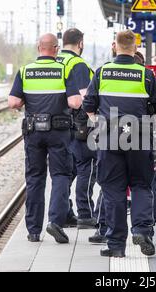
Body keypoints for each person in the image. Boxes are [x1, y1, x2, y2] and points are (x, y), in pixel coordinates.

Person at [83, 30, 156, 258]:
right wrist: (149, 123)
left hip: (109, 136)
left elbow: (88, 105)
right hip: (139, 135)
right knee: (141, 185)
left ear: (114, 46)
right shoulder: (145, 75)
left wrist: (98, 124)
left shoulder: (101, 73)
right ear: (135, 48)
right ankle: (142, 231)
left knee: (113, 190)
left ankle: (116, 245)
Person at [8, 33, 80, 244]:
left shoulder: (25, 71)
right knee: (60, 175)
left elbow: (12, 102)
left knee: (35, 178)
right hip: (59, 132)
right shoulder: (64, 70)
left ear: (38, 47)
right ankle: (55, 222)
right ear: (56, 49)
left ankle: (33, 231)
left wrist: (25, 101)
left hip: (33, 132)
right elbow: (75, 102)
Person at [56, 28, 99, 231]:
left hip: (58, 125)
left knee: (67, 171)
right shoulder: (78, 64)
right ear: (80, 43)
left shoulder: (56, 62)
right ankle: (86, 214)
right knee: (86, 167)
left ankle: (64, 212)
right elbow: (85, 98)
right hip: (79, 126)